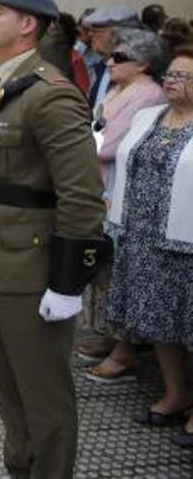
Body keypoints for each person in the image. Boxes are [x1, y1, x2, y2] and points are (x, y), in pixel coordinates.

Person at [0, 0, 107, 479]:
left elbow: (81, 195)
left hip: (30, 269)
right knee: (7, 388)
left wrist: (67, 283)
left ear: (27, 25)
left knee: (44, 397)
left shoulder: (51, 95)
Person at [105, 44, 193, 449]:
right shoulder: (148, 116)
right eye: (171, 75)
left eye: (185, 77)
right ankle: (176, 394)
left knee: (189, 325)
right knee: (157, 322)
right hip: (143, 236)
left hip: (187, 242)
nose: (174, 83)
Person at [77, 28, 168, 382]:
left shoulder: (148, 95)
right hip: (97, 181)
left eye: (119, 58)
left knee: (115, 270)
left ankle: (125, 349)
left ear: (143, 64)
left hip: (116, 187)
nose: (109, 62)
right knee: (102, 269)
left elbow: (111, 142)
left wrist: (79, 149)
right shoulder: (119, 87)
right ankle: (111, 336)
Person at [81, 5, 143, 110]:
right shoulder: (98, 69)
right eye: (90, 30)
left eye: (98, 31)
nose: (90, 35)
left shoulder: (137, 71)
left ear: (121, 35)